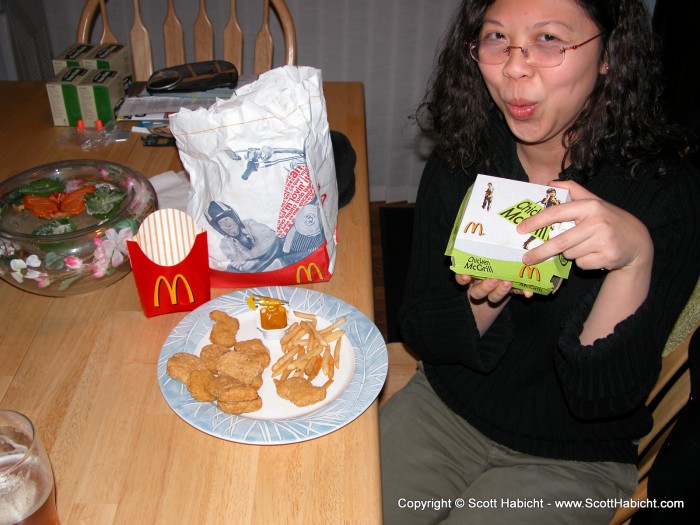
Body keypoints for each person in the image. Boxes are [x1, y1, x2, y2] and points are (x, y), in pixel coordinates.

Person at [379, 0, 700, 524]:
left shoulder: (667, 195)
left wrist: (633, 261)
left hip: (573, 461)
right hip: (444, 409)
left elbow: (604, 399)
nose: (513, 67)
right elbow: (423, 331)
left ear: (609, 56)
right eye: (496, 38)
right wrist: (483, 301)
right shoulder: (466, 155)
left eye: (549, 39)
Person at [205, 201, 281, 272]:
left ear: (234, 218)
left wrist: (246, 257)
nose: (227, 225)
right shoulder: (225, 244)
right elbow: (242, 266)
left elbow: (273, 241)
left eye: (226, 219)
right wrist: (249, 263)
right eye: (221, 223)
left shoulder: (250, 225)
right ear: (219, 228)